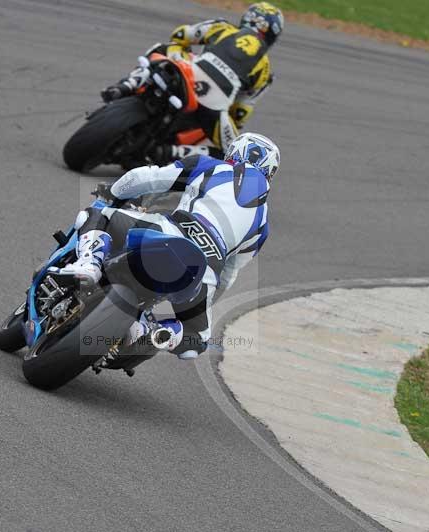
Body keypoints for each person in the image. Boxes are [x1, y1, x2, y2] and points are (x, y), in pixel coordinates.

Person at [49, 132, 279, 360]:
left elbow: (147, 178)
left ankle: (89, 263)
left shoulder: (210, 166)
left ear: (234, 151)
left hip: (171, 233)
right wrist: (203, 300)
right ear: (270, 172)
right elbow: (228, 275)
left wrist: (114, 192)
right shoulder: (262, 225)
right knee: (197, 340)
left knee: (98, 215)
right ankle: (161, 333)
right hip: (204, 273)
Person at [101, 3, 284, 163]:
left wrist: (185, 53)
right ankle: (170, 152)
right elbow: (240, 113)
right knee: (234, 154)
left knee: (164, 48)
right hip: (215, 102)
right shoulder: (265, 71)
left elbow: (180, 34)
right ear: (272, 35)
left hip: (189, 73)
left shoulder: (222, 27)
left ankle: (127, 85)